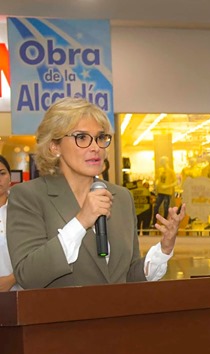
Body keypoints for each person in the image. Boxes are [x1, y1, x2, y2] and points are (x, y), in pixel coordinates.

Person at [7, 98, 186, 289]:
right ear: (54, 146)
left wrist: (163, 250)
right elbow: (28, 276)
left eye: (100, 138)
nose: (96, 147)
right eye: (82, 137)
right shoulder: (28, 196)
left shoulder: (121, 197)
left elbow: (126, 276)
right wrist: (81, 221)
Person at [0, 155, 21, 291]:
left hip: (23, 291)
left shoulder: (23, 209)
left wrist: (12, 279)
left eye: (2, 173)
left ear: (10, 177)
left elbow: (37, 252)